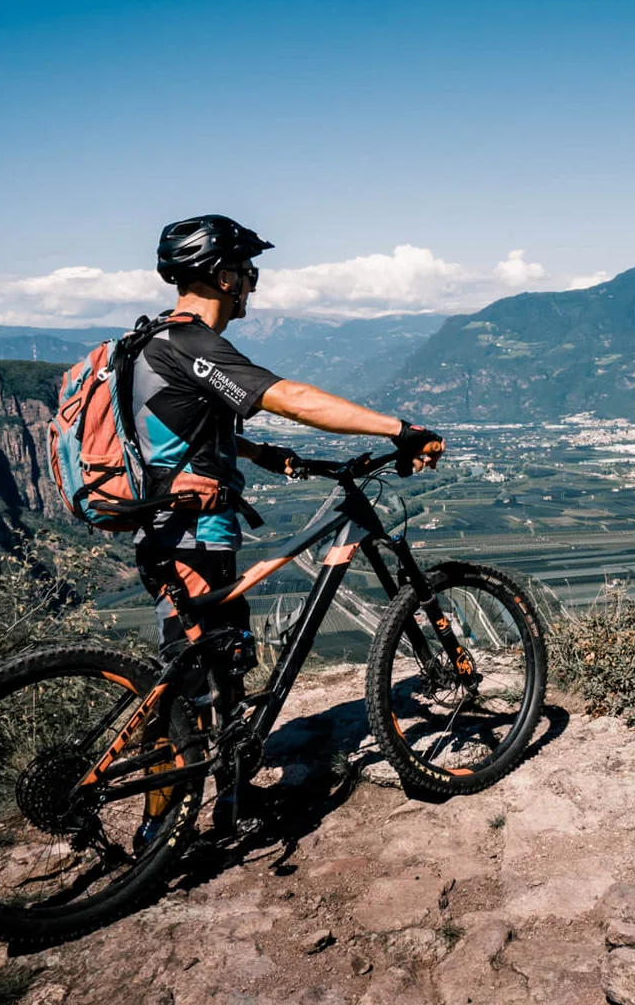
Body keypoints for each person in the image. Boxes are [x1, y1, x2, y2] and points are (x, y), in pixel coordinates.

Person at [131, 213, 442, 832]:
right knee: (192, 678)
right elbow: (291, 397)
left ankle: (230, 803)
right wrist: (399, 429)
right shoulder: (194, 345)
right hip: (192, 532)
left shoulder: (152, 340)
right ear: (221, 274)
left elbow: (175, 426)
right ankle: (162, 832)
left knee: (218, 667)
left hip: (168, 527)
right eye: (247, 269)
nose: (252, 280)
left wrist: (260, 454)